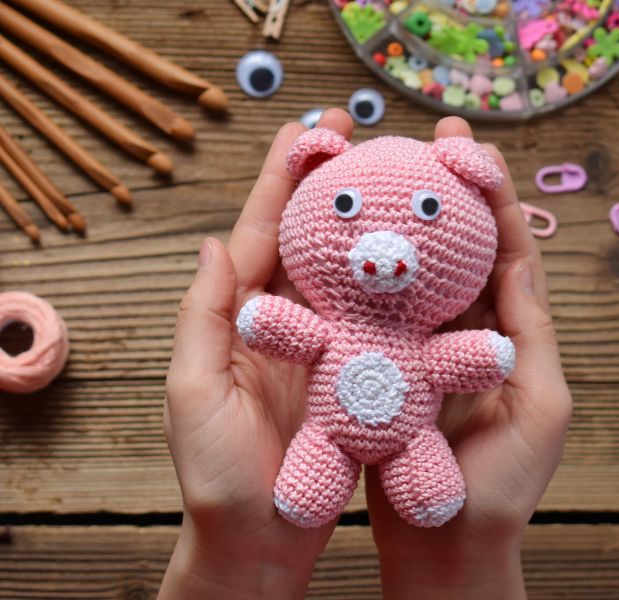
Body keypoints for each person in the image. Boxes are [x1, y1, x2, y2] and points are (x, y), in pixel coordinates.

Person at [158, 109, 572, 599]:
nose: (385, 249)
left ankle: (426, 502)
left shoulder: (419, 343)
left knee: (428, 492)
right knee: (309, 490)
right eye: (347, 206)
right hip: (324, 433)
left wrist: (234, 565)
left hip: (413, 437)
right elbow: (294, 332)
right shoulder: (332, 332)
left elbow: (454, 359)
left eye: (428, 210)